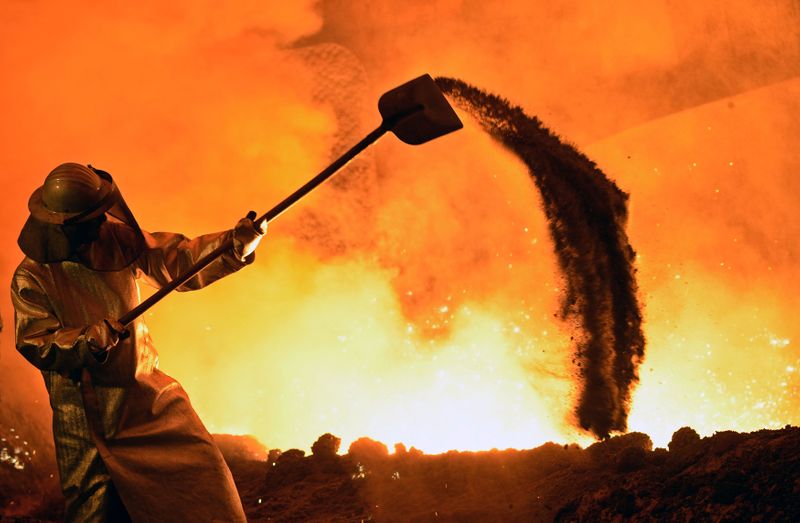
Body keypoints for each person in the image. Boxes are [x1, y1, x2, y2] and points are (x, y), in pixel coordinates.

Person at [11, 162, 266, 522]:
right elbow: (35, 341)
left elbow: (174, 260)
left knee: (204, 482)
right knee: (97, 513)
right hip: (87, 422)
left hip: (148, 399)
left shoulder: (116, 241)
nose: (102, 223)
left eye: (102, 214)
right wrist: (89, 339)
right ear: (65, 224)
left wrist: (232, 246)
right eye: (92, 219)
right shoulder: (33, 276)